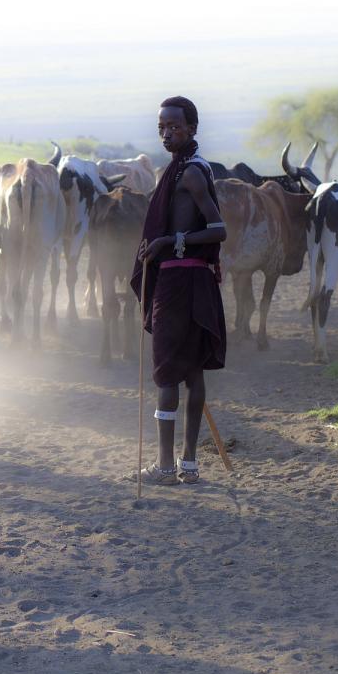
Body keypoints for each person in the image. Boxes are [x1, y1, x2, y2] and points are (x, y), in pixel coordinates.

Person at [128, 96, 227, 485]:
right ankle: (189, 465)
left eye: (174, 126)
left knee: (170, 373)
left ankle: (167, 466)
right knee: (192, 370)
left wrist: (170, 241)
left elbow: (219, 230)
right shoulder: (183, 168)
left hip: (179, 281)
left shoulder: (190, 174)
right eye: (161, 128)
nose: (167, 133)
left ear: (192, 128)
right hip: (193, 281)